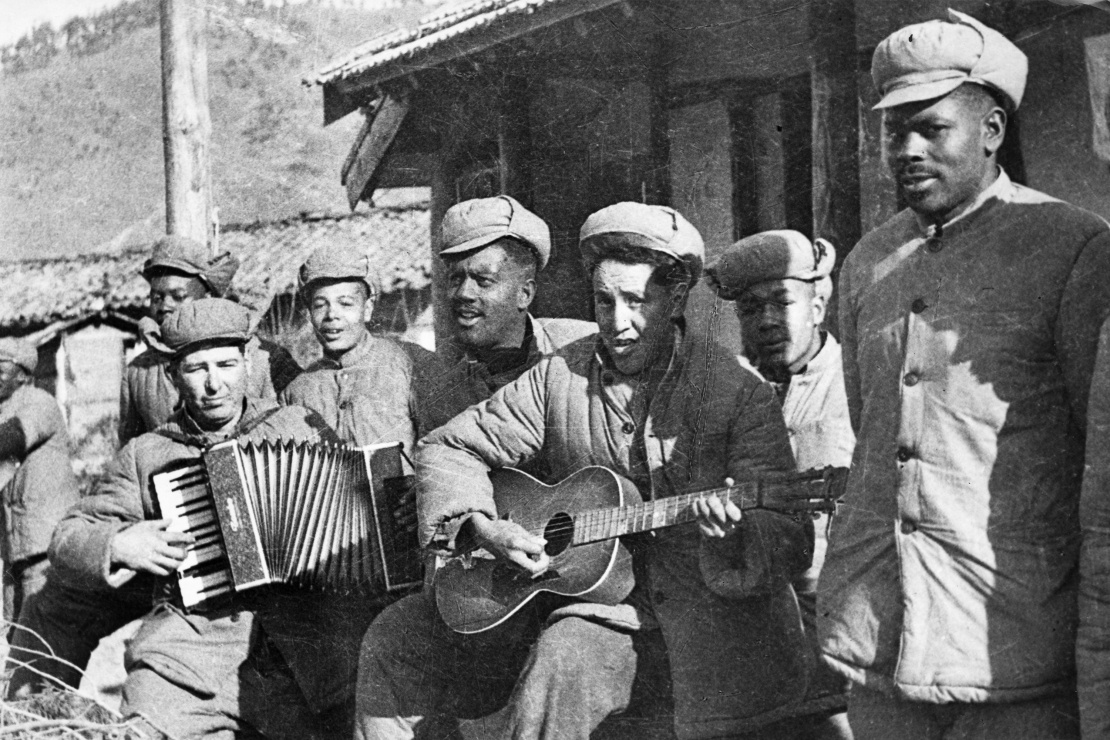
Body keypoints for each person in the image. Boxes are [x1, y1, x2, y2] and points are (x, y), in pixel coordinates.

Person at [354, 202, 813, 740]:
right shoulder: (561, 376)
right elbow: (450, 446)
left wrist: (737, 533)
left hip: (703, 625)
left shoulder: (737, 393)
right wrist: (480, 525)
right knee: (396, 636)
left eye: (637, 301)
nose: (617, 323)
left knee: (566, 658)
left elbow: (788, 532)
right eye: (604, 300)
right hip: (584, 596)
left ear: (676, 298)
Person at [818, 10, 1110, 740]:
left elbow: (1097, 461)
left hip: (1012, 647)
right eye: (894, 130)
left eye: (932, 128)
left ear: (992, 130)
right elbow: (871, 432)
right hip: (880, 642)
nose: (907, 149)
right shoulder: (866, 264)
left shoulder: (1073, 250)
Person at [11, 300, 344, 740]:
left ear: (247, 362)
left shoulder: (296, 426)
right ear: (172, 376)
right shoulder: (148, 453)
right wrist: (119, 542)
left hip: (302, 658)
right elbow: (69, 537)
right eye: (196, 369)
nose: (213, 384)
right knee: (144, 726)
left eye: (226, 364)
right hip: (188, 659)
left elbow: (357, 503)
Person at [275, 242, 447, 728]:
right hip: (332, 574)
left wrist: (422, 493)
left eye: (346, 303)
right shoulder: (297, 390)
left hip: (411, 559)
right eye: (319, 304)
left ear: (368, 306)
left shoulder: (413, 366)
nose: (332, 317)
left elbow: (450, 453)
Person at [706, 229, 854, 740]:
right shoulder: (729, 393)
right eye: (750, 309)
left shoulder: (856, 381)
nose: (766, 320)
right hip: (754, 623)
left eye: (781, 302)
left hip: (846, 625)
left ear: (817, 305)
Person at [119, 234, 300, 446]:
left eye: (178, 296)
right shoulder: (139, 372)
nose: (164, 306)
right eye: (156, 298)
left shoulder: (266, 360)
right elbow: (132, 449)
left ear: (207, 299)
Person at [433, 195, 595, 418]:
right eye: (455, 279)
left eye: (483, 280)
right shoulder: (446, 396)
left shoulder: (585, 353)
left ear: (524, 294)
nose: (464, 293)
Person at [0, 338, 79, 623]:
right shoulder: (5, 408)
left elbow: (10, 439)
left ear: (22, 374)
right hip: (15, 549)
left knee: (40, 634)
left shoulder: (39, 403)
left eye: (0, 368)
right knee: (14, 630)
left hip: (44, 547)